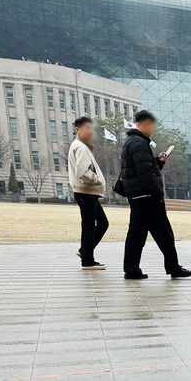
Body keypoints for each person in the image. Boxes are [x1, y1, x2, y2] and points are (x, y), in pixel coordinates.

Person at [120, 109, 191, 280]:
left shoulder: (130, 141)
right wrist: (157, 193)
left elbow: (142, 167)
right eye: (152, 125)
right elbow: (145, 174)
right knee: (164, 234)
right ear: (145, 124)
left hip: (137, 197)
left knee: (136, 235)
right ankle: (174, 268)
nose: (152, 129)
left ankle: (131, 269)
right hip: (148, 198)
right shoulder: (139, 143)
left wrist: (157, 162)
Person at [68, 116, 108, 270]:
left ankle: (85, 252)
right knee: (90, 226)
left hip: (85, 193)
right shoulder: (80, 147)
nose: (91, 131)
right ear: (78, 129)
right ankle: (87, 260)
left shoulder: (81, 146)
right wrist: (96, 180)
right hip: (86, 192)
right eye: (87, 128)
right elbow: (82, 172)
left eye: (92, 128)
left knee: (100, 224)